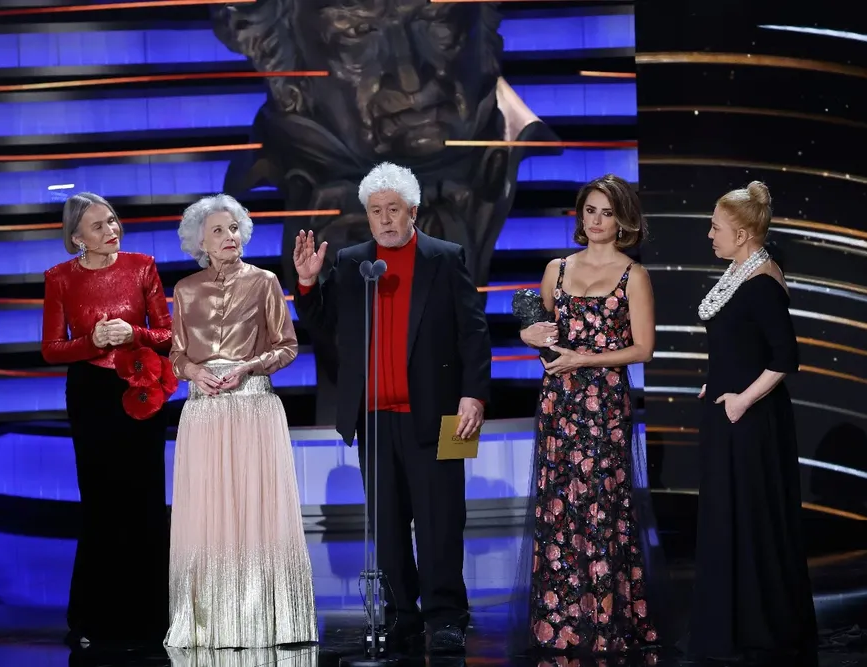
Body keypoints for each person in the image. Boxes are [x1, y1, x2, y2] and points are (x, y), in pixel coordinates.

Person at [292, 162, 492, 655]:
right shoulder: (354, 262)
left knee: (442, 520)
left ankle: (446, 615)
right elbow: (324, 326)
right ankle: (402, 611)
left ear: (413, 211)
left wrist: (476, 394)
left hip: (445, 414)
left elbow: (474, 332)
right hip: (376, 418)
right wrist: (306, 285)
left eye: (393, 209)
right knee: (387, 524)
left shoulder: (445, 258)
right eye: (376, 210)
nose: (384, 219)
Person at [510, 174, 669, 656]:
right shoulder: (556, 269)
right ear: (580, 217)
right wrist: (528, 337)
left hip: (605, 405)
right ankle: (561, 622)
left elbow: (643, 349)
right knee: (561, 505)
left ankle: (607, 619)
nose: (597, 221)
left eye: (606, 212)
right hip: (560, 403)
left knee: (603, 508)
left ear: (623, 218)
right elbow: (540, 332)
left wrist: (586, 360)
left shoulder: (633, 275)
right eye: (590, 211)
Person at [164, 194, 317, 649]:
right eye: (217, 231)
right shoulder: (185, 290)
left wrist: (249, 367)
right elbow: (175, 353)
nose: (229, 237)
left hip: (253, 408)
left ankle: (268, 621)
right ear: (200, 242)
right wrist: (191, 371)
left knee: (257, 510)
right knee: (208, 515)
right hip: (204, 413)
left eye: (234, 229)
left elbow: (286, 345)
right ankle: (210, 623)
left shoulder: (265, 281)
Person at [689, 181, 817, 665]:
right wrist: (717, 381)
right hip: (727, 413)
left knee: (750, 519)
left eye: (716, 227)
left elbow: (786, 357)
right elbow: (740, 345)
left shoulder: (762, 281)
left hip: (751, 421)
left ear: (742, 234)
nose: (709, 234)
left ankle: (758, 626)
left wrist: (742, 398)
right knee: (728, 518)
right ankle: (733, 622)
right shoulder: (739, 274)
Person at [41, 192, 172, 646]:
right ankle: (93, 618)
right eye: (98, 226)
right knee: (101, 503)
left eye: (113, 220)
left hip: (140, 387)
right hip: (91, 394)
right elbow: (51, 348)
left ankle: (153, 618)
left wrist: (134, 333)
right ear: (77, 237)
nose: (111, 230)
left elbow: (168, 334)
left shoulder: (142, 266)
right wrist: (93, 341)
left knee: (145, 501)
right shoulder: (59, 279)